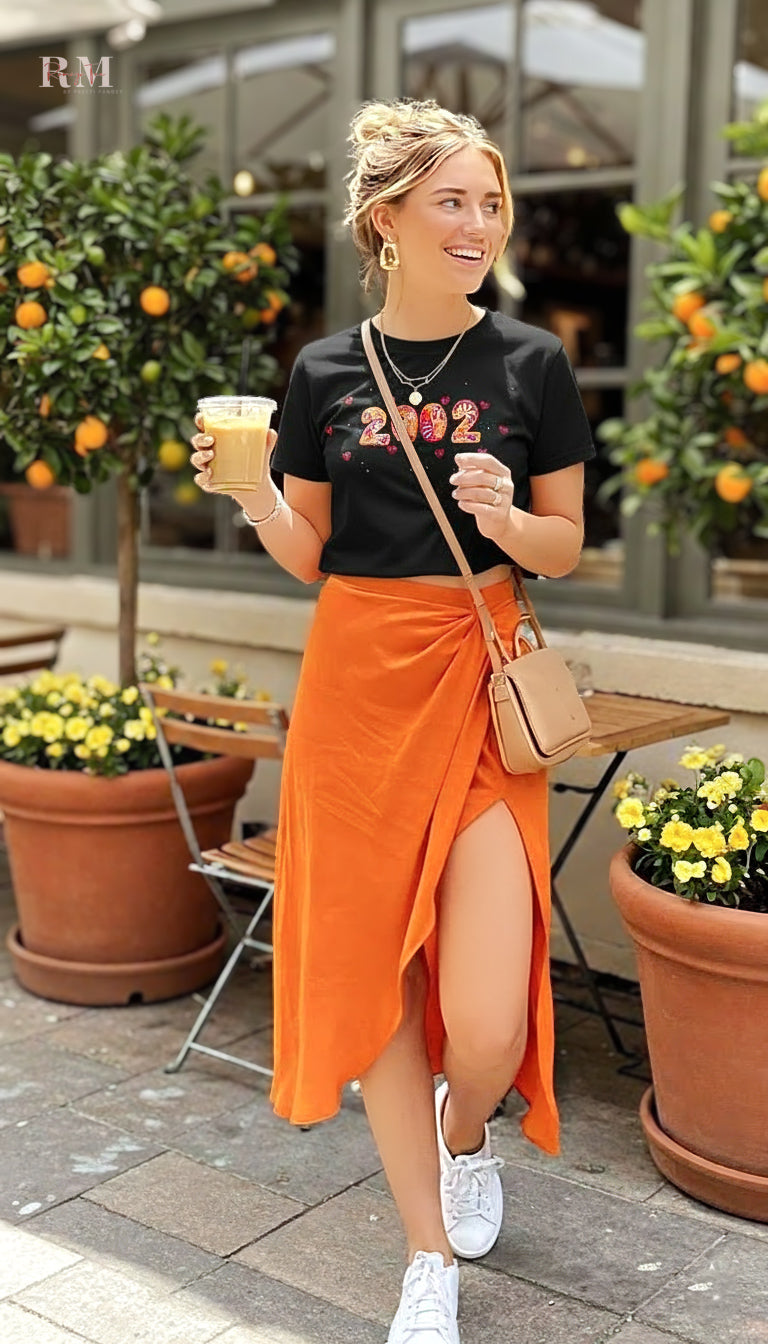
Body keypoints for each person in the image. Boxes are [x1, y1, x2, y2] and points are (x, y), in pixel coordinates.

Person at [191, 97, 595, 1344]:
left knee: (484, 1021)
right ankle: (428, 1255)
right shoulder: (322, 370)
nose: (478, 224)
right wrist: (256, 493)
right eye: (453, 202)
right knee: (378, 983)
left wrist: (507, 519)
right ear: (389, 221)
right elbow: (311, 557)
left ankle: (466, 1129)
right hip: (358, 693)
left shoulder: (532, 364)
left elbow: (569, 547)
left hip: (477, 678)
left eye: (491, 203)